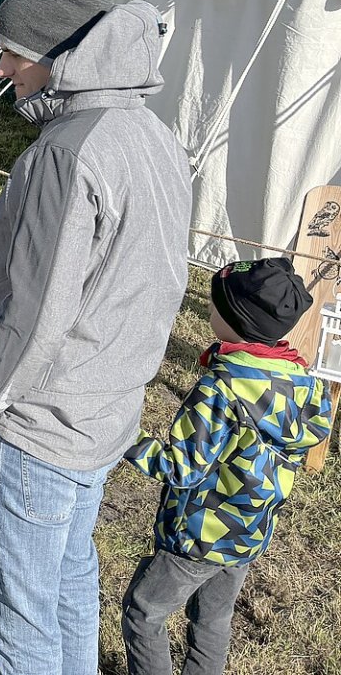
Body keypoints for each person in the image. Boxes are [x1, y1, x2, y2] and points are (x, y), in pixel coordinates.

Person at [0, 0, 191, 675]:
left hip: (36, 426)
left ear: (61, 56)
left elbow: (33, 313)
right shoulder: (152, 136)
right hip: (102, 410)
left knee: (19, 617)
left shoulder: (67, 152)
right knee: (69, 579)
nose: (0, 70)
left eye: (13, 53)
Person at [122, 258, 332, 675]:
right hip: (249, 532)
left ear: (235, 318)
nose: (209, 313)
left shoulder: (221, 388)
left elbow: (182, 468)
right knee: (213, 618)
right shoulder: (301, 382)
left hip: (202, 534)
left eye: (216, 307)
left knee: (143, 613)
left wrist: (124, 438)